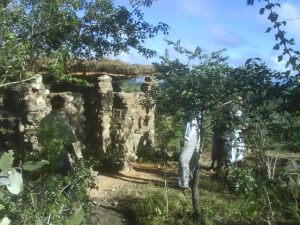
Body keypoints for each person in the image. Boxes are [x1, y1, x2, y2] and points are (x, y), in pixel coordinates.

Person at [37, 95, 77, 175]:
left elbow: (40, 139)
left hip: (47, 157)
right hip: (60, 157)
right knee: (67, 184)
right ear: (62, 106)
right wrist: (74, 156)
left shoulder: (44, 121)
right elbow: (68, 142)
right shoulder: (62, 120)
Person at [178, 113, 201, 189]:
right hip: (194, 134)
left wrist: (187, 139)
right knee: (190, 159)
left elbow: (192, 125)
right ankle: (187, 181)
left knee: (183, 159)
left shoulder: (194, 109)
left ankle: (184, 183)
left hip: (192, 135)